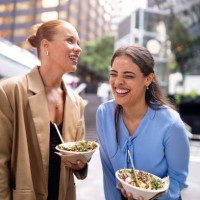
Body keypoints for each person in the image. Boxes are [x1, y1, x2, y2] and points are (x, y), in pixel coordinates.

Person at [0, 20, 88, 200]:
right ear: (45, 45)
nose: (78, 48)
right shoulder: (9, 91)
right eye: (70, 40)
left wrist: (80, 164)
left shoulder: (77, 102)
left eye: (78, 43)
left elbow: (79, 153)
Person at [96, 45, 190, 200]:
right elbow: (109, 174)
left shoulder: (171, 123)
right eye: (114, 74)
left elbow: (177, 180)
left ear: (148, 79)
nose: (118, 82)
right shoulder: (104, 114)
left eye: (129, 76)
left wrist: (150, 196)